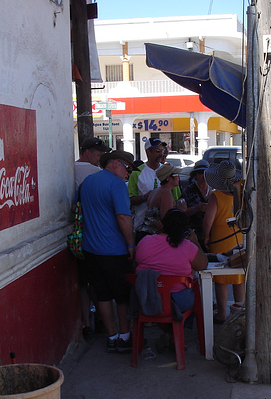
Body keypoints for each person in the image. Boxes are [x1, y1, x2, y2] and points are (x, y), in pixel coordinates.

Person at [80, 149, 138, 353]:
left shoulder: (87, 182)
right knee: (121, 296)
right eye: (127, 168)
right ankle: (124, 336)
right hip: (114, 250)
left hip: (90, 249)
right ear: (115, 163)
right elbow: (124, 217)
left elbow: (75, 209)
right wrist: (131, 245)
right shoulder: (116, 185)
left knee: (102, 294)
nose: (128, 173)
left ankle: (112, 336)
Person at [136, 209, 208, 349]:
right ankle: (173, 333)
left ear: (162, 225)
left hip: (146, 298)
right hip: (177, 301)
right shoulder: (187, 246)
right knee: (192, 285)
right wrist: (196, 242)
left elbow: (137, 264)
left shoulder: (145, 242)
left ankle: (169, 333)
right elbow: (203, 264)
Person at [73, 137, 110, 337]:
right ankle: (103, 321)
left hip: (76, 235)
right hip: (96, 236)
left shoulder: (69, 168)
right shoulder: (96, 173)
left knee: (84, 284)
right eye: (98, 153)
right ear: (87, 152)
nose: (100, 157)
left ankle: (87, 323)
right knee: (99, 283)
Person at [203, 161, 245, 323]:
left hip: (219, 242)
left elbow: (208, 221)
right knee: (238, 278)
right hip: (239, 241)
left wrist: (205, 238)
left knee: (221, 280)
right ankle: (239, 313)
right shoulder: (241, 194)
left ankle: (221, 314)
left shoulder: (216, 196)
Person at [128, 138, 181, 232]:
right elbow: (129, 200)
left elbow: (177, 198)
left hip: (165, 229)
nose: (161, 154)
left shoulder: (168, 170)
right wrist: (145, 197)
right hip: (142, 226)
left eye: (162, 150)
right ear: (147, 151)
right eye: (157, 151)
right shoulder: (137, 172)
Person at [135, 163, 182, 243]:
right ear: (169, 178)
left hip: (144, 234)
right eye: (176, 175)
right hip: (151, 236)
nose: (178, 177)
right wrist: (181, 210)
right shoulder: (166, 194)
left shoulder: (157, 191)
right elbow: (167, 220)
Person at [181, 159, 211, 249]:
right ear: (195, 175)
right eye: (200, 172)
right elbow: (182, 213)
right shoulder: (188, 190)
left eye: (206, 172)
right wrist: (196, 208)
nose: (203, 175)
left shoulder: (215, 190)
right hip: (193, 234)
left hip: (212, 233)